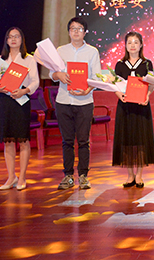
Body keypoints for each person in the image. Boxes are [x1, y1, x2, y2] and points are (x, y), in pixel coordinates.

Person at [50, 17, 101, 190]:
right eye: (73, 28)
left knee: (84, 141)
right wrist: (59, 75)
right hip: (63, 101)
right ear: (69, 32)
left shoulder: (92, 52)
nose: (76, 31)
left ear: (85, 32)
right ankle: (68, 176)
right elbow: (52, 74)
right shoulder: (60, 50)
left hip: (85, 102)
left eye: (79, 28)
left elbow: (96, 77)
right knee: (67, 141)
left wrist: (87, 90)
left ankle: (84, 176)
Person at [0, 27, 40, 191]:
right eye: (10, 37)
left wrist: (24, 90)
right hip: (4, 101)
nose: (13, 39)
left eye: (17, 36)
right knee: (8, 141)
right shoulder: (0, 60)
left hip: (21, 100)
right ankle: (11, 176)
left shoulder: (28, 59)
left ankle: (22, 177)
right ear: (6, 40)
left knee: (23, 140)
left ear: (22, 40)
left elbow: (35, 81)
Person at [112, 32, 154, 188]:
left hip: (141, 106)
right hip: (125, 106)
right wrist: (119, 95)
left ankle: (139, 175)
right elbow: (115, 85)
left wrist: (147, 96)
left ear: (141, 45)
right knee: (126, 140)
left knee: (141, 140)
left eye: (136, 42)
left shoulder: (147, 64)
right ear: (125, 45)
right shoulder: (119, 64)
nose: (132, 45)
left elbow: (151, 85)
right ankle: (130, 175)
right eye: (129, 42)